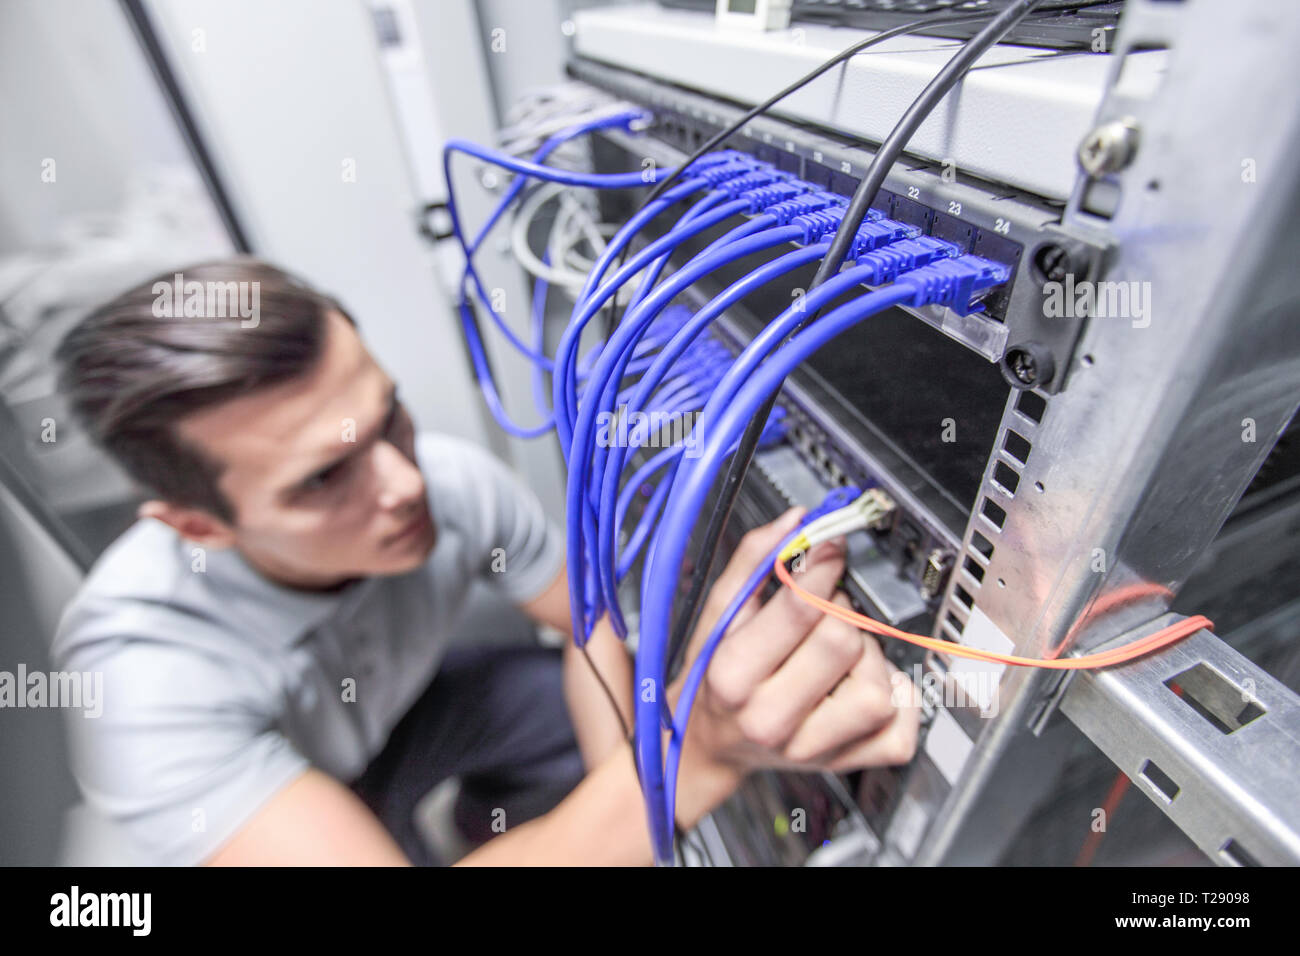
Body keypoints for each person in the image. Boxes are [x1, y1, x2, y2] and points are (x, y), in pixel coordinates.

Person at [49, 258, 919, 866]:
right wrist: (698, 759)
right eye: (323, 479)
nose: (403, 483)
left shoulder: (446, 483)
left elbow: (586, 629)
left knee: (551, 704)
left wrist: (636, 787)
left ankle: (494, 824)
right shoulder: (141, 682)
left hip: (406, 716)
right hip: (263, 794)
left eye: (387, 416)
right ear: (201, 529)